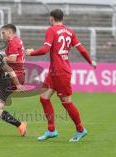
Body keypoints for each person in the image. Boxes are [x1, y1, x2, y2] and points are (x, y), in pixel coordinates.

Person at [26, 9, 96, 142]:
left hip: (61, 72)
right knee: (44, 98)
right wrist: (90, 61)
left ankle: (81, 130)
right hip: (54, 72)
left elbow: (45, 49)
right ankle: (51, 130)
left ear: (51, 18)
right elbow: (81, 49)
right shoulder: (70, 32)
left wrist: (31, 53)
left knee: (66, 102)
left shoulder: (51, 30)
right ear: (62, 18)